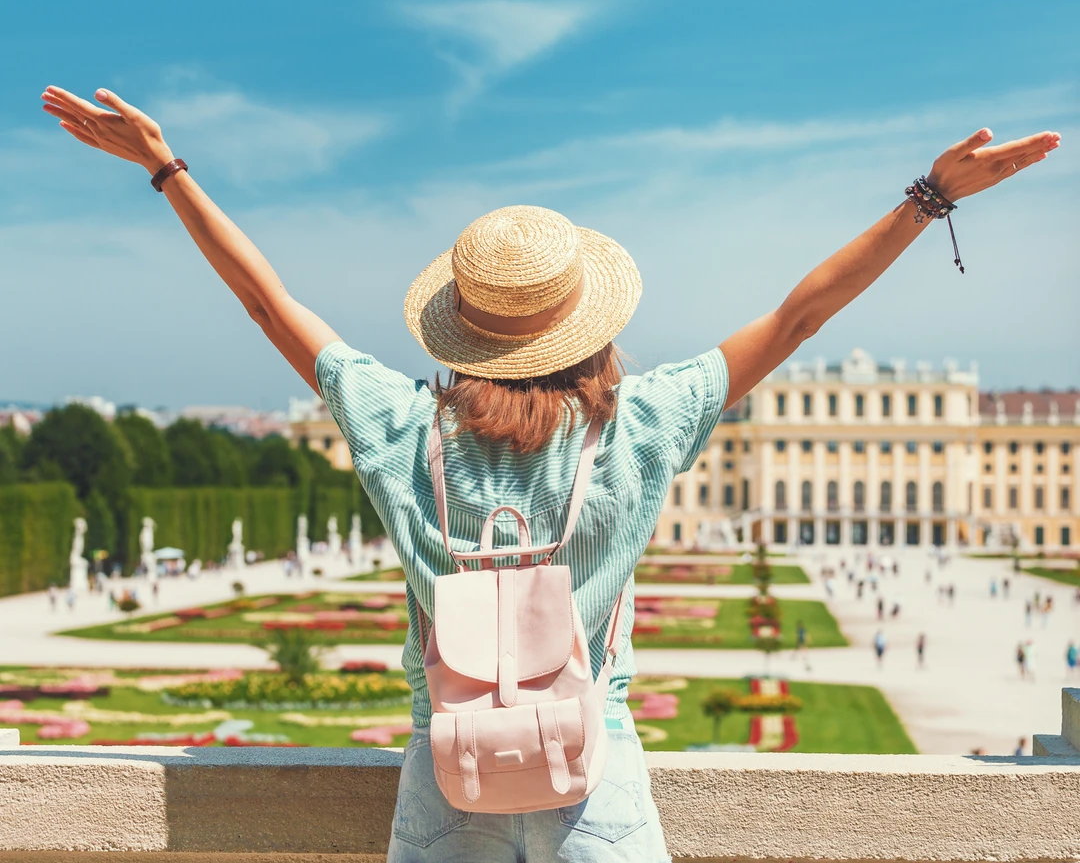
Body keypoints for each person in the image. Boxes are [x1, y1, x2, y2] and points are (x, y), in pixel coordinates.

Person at [37, 84, 1060, 863]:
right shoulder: (645, 424)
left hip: (448, 779)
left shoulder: (402, 426)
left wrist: (167, 170)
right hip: (592, 774)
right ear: (591, 327)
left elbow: (269, 305)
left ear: (460, 332)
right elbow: (801, 317)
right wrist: (926, 202)